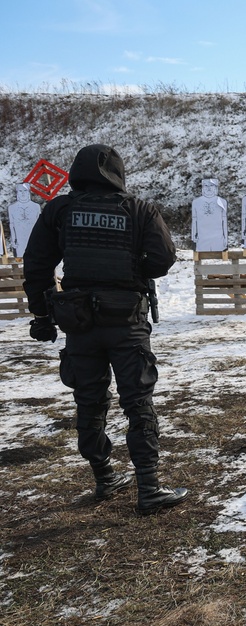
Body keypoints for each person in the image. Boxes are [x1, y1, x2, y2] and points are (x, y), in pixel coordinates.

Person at [22, 144, 189, 513]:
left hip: (78, 320)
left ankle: (104, 477)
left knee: (88, 400)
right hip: (126, 319)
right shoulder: (139, 210)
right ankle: (149, 487)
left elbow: (36, 264)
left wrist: (42, 315)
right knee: (137, 401)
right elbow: (163, 259)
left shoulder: (60, 210)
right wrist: (132, 266)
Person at [191, 178, 228, 252]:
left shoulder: (222, 202)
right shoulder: (196, 202)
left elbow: (224, 222)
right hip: (202, 238)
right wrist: (193, 236)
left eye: (211, 185)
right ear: (202, 188)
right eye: (206, 186)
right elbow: (194, 221)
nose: (208, 188)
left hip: (218, 238)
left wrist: (225, 238)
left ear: (215, 187)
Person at [8, 183, 42, 258]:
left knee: (34, 257)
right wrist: (13, 239)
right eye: (20, 191)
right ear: (17, 193)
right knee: (20, 257)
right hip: (19, 238)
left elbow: (40, 224)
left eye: (25, 190)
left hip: (33, 237)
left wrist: (40, 238)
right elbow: (12, 225)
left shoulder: (36, 206)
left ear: (28, 192)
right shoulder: (12, 208)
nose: (23, 193)